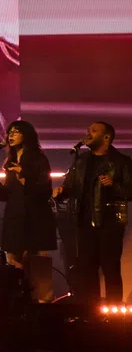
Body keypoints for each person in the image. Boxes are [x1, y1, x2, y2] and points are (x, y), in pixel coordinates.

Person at [53, 122, 131, 302]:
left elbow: (130, 190)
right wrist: (61, 191)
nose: (87, 133)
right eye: (87, 130)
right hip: (84, 223)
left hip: (110, 224)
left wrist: (114, 186)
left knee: (110, 268)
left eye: (93, 131)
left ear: (106, 137)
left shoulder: (121, 162)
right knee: (87, 269)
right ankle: (91, 312)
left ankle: (114, 315)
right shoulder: (81, 161)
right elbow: (71, 186)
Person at [0, 120, 57, 300]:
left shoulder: (38, 159)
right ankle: (18, 302)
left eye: (16, 132)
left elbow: (45, 191)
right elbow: (7, 194)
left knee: (36, 262)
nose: (11, 135)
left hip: (35, 216)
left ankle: (42, 303)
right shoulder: (10, 161)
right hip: (15, 215)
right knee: (13, 261)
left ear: (26, 135)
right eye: (9, 132)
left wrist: (23, 177)